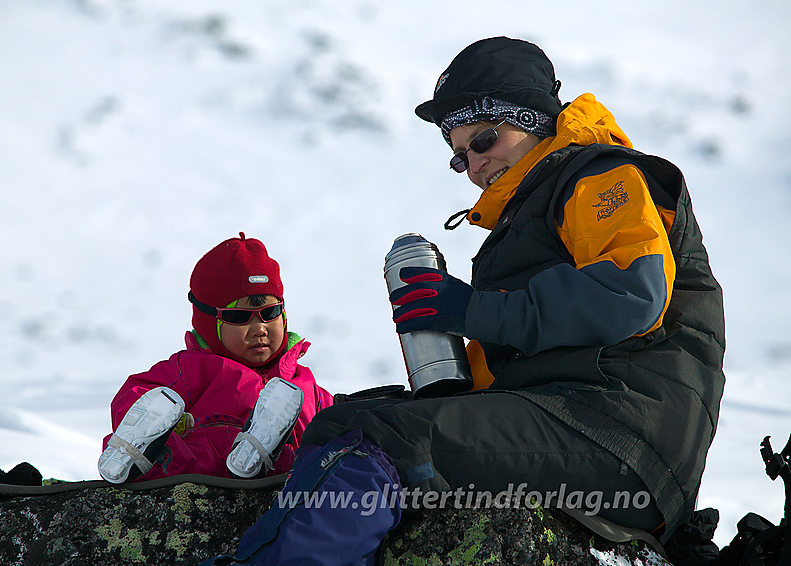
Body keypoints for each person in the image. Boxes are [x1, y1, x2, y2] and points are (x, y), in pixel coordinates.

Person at [201, 37, 725, 565]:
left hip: (619, 433)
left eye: (484, 139)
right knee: (343, 421)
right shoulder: (532, 212)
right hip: (582, 423)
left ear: (530, 118)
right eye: (459, 157)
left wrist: (470, 310)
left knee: (379, 438)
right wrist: (446, 384)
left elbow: (629, 296)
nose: (473, 164)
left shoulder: (600, 178)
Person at [97, 233, 333, 483]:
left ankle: (258, 453)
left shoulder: (303, 384)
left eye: (270, 313)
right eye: (240, 317)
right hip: (200, 471)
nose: (259, 329)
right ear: (210, 324)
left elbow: (336, 421)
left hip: (287, 473)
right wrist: (160, 423)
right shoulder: (193, 368)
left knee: (310, 453)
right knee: (185, 455)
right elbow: (138, 392)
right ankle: (138, 454)